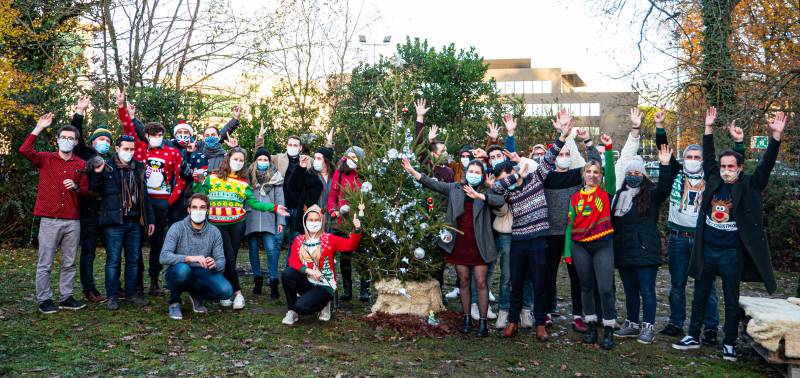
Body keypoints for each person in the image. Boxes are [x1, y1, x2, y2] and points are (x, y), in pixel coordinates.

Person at [672, 109, 786, 362]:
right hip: (708, 250)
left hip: (732, 254)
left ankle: (730, 343)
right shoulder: (713, 179)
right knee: (700, 294)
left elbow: (765, 167)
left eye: (730, 166)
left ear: (739, 168)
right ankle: (692, 335)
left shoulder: (748, 186)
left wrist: (775, 138)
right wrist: (708, 129)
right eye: (723, 166)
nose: (725, 170)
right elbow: (709, 156)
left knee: (731, 300)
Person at [656, 107, 744, 342]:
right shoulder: (677, 173)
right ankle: (676, 322)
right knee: (677, 283)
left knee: (707, 287)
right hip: (676, 237)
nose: (693, 160)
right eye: (689, 156)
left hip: (701, 239)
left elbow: (733, 165)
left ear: (703, 161)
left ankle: (711, 327)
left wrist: (735, 143)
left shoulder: (711, 177)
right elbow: (663, 150)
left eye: (697, 157)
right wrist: (660, 126)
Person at [401, 156, 503, 337]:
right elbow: (431, 183)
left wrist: (479, 196)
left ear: (482, 175)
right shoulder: (455, 188)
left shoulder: (488, 190)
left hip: (481, 243)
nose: (473, 174)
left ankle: (483, 323)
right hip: (460, 243)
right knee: (463, 281)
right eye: (471, 171)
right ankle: (466, 319)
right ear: (465, 173)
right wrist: (412, 171)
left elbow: (499, 201)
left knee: (480, 282)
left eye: (477, 172)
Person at [494, 122, 571, 341]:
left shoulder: (536, 178)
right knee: (516, 282)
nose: (506, 179)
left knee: (539, 282)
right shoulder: (507, 191)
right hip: (518, 239)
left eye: (509, 174)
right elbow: (496, 188)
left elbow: (549, 158)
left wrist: (562, 136)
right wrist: (515, 178)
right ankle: (512, 322)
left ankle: (539, 324)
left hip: (539, 239)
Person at [193, 147, 290, 309]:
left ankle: (225, 293)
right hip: (217, 225)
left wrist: (274, 208)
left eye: (241, 160)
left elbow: (253, 203)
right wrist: (197, 182)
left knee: (231, 258)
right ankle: (236, 293)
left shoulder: (243, 183)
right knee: (228, 259)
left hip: (237, 224)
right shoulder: (212, 178)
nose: (237, 163)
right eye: (235, 159)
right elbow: (200, 195)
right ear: (228, 159)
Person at [117, 90, 185, 296]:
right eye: (153, 135)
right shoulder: (139, 148)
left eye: (160, 135)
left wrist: (169, 200)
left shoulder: (172, 152)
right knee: (136, 242)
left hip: (161, 202)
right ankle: (137, 280)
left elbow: (180, 178)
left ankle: (155, 279)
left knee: (158, 243)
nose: (156, 138)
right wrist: (122, 108)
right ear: (146, 136)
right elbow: (128, 126)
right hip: (139, 203)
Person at [20, 112, 89, 313]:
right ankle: (44, 299)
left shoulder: (81, 165)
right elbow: (24, 149)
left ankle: (66, 297)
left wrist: (76, 187)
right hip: (50, 219)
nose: (67, 141)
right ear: (57, 140)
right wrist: (39, 128)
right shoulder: (46, 159)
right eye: (63, 138)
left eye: (71, 138)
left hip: (72, 220)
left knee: (69, 262)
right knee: (45, 262)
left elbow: (85, 191)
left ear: (76, 142)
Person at [542, 112, 600, 333]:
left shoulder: (578, 174)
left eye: (568, 153)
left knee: (577, 276)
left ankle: (578, 315)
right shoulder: (546, 175)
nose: (564, 155)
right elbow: (545, 159)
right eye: (561, 153)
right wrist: (561, 134)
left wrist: (587, 141)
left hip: (573, 234)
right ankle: (546, 312)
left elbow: (596, 164)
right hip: (550, 232)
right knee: (548, 274)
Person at [611, 146, 674, 344]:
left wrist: (665, 165)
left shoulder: (651, 195)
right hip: (624, 251)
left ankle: (648, 326)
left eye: (637, 172)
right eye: (629, 173)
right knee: (629, 291)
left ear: (643, 174)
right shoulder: (618, 196)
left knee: (647, 291)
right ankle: (632, 323)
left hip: (646, 251)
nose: (633, 176)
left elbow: (665, 187)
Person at [88, 135, 156, 310]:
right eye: (126, 149)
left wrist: (150, 220)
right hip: (114, 222)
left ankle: (131, 293)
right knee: (114, 260)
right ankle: (112, 296)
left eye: (132, 149)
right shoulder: (108, 166)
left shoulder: (139, 167)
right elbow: (94, 189)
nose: (129, 152)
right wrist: (97, 173)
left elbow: (145, 196)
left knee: (133, 259)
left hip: (135, 221)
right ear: (117, 149)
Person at [563, 133, 616, 349]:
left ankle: (609, 328)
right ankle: (591, 325)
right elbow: (569, 227)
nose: (592, 175)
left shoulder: (605, 192)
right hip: (579, 246)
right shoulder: (575, 198)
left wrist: (609, 149)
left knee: (604, 288)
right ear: (583, 174)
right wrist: (567, 251)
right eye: (589, 172)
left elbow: (611, 174)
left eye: (596, 172)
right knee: (586, 286)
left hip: (602, 244)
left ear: (600, 176)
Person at [281, 205, 362, 325]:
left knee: (301, 307)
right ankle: (292, 311)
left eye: (317, 220)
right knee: (288, 273)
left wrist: (356, 229)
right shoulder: (299, 240)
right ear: (305, 221)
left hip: (324, 284)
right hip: (307, 280)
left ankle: (324, 304)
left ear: (322, 221)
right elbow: (293, 261)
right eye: (310, 220)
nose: (313, 223)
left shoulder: (329, 239)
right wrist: (309, 270)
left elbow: (349, 245)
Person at [159, 193, 233, 320]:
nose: (198, 211)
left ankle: (197, 295)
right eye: (194, 207)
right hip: (177, 270)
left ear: (207, 210)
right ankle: (174, 302)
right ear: (188, 210)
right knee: (183, 270)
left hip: (201, 271)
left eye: (202, 207)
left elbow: (221, 261)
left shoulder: (214, 232)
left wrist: (215, 264)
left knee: (226, 291)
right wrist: (189, 258)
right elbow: (164, 256)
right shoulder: (177, 228)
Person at [70, 95, 112, 303]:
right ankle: (89, 288)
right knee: (88, 252)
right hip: (88, 211)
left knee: (114, 253)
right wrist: (80, 112)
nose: (104, 143)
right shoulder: (85, 153)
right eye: (101, 139)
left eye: (107, 140)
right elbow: (76, 134)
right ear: (94, 141)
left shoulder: (112, 161)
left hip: (108, 212)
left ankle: (115, 287)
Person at [328, 146, 369, 301]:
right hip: (342, 222)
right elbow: (332, 196)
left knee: (363, 256)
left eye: (355, 157)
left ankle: (365, 289)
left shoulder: (364, 175)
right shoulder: (339, 174)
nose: (352, 159)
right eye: (349, 156)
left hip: (360, 220)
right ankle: (347, 290)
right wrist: (333, 210)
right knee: (345, 257)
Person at [245, 147, 286, 298]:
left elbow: (280, 200)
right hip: (252, 216)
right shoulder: (248, 175)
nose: (263, 162)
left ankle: (274, 280)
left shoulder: (276, 177)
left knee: (272, 249)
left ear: (269, 161)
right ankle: (257, 280)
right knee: (253, 249)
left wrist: (280, 221)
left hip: (269, 217)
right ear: (256, 161)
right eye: (260, 159)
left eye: (266, 160)